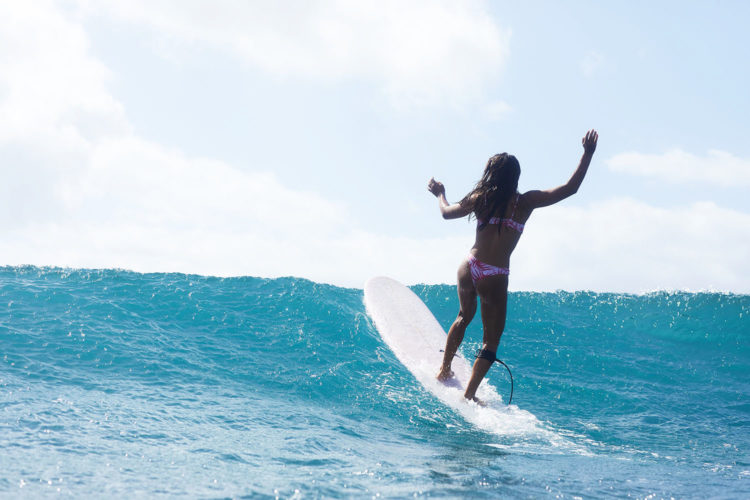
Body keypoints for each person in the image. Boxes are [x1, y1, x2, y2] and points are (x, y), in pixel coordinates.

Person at [427, 129, 599, 403]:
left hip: (469, 265)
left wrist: (440, 193)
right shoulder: (525, 202)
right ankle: (469, 395)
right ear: (515, 177)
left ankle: (444, 370)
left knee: (463, 316)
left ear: (491, 175)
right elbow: (570, 188)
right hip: (494, 275)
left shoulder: (481, 198)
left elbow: (447, 213)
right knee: (490, 342)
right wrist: (588, 154)